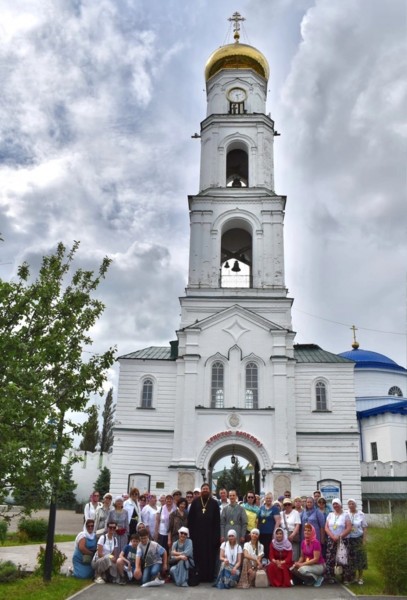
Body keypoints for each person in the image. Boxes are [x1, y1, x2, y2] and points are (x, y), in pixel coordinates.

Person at [188, 482, 220, 582]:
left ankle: (209, 577)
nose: (205, 490)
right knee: (198, 555)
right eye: (203, 489)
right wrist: (191, 534)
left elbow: (217, 521)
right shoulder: (195, 502)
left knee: (209, 556)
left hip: (210, 535)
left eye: (206, 489)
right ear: (201, 491)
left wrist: (216, 536)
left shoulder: (214, 503)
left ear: (209, 491)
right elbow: (191, 519)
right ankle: (199, 575)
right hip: (197, 535)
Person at [324, 498, 352, 583]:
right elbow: (326, 527)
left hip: (343, 540)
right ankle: (330, 577)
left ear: (340, 505)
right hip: (331, 540)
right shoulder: (330, 515)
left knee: (343, 558)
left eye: (337, 504)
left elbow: (349, 528)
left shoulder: (345, 515)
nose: (335, 506)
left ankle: (345, 577)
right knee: (330, 558)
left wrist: (340, 536)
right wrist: (332, 536)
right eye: (334, 504)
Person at [291, 523, 325, 587]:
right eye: (305, 530)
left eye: (309, 530)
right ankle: (310, 580)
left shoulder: (316, 543)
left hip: (318, 565)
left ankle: (318, 578)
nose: (306, 532)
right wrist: (297, 563)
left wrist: (302, 564)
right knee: (293, 568)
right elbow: (301, 556)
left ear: (312, 532)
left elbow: (315, 559)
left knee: (301, 569)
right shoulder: (303, 542)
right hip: (308, 564)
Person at [346, 498, 368, 585]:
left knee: (360, 558)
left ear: (355, 505)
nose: (351, 505)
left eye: (352, 504)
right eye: (349, 504)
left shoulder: (360, 514)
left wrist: (364, 540)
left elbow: (365, 527)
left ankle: (360, 577)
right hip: (349, 538)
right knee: (351, 559)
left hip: (358, 538)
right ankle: (353, 577)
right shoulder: (346, 514)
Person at [257, 492, 281, 557]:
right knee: (262, 548)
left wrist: (274, 533)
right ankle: (263, 561)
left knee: (269, 548)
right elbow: (258, 520)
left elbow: (277, 521)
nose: (268, 500)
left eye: (270, 498)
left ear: (272, 499)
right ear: (265, 499)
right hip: (261, 532)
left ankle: (269, 562)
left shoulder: (275, 509)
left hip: (270, 532)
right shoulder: (261, 508)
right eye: (267, 498)